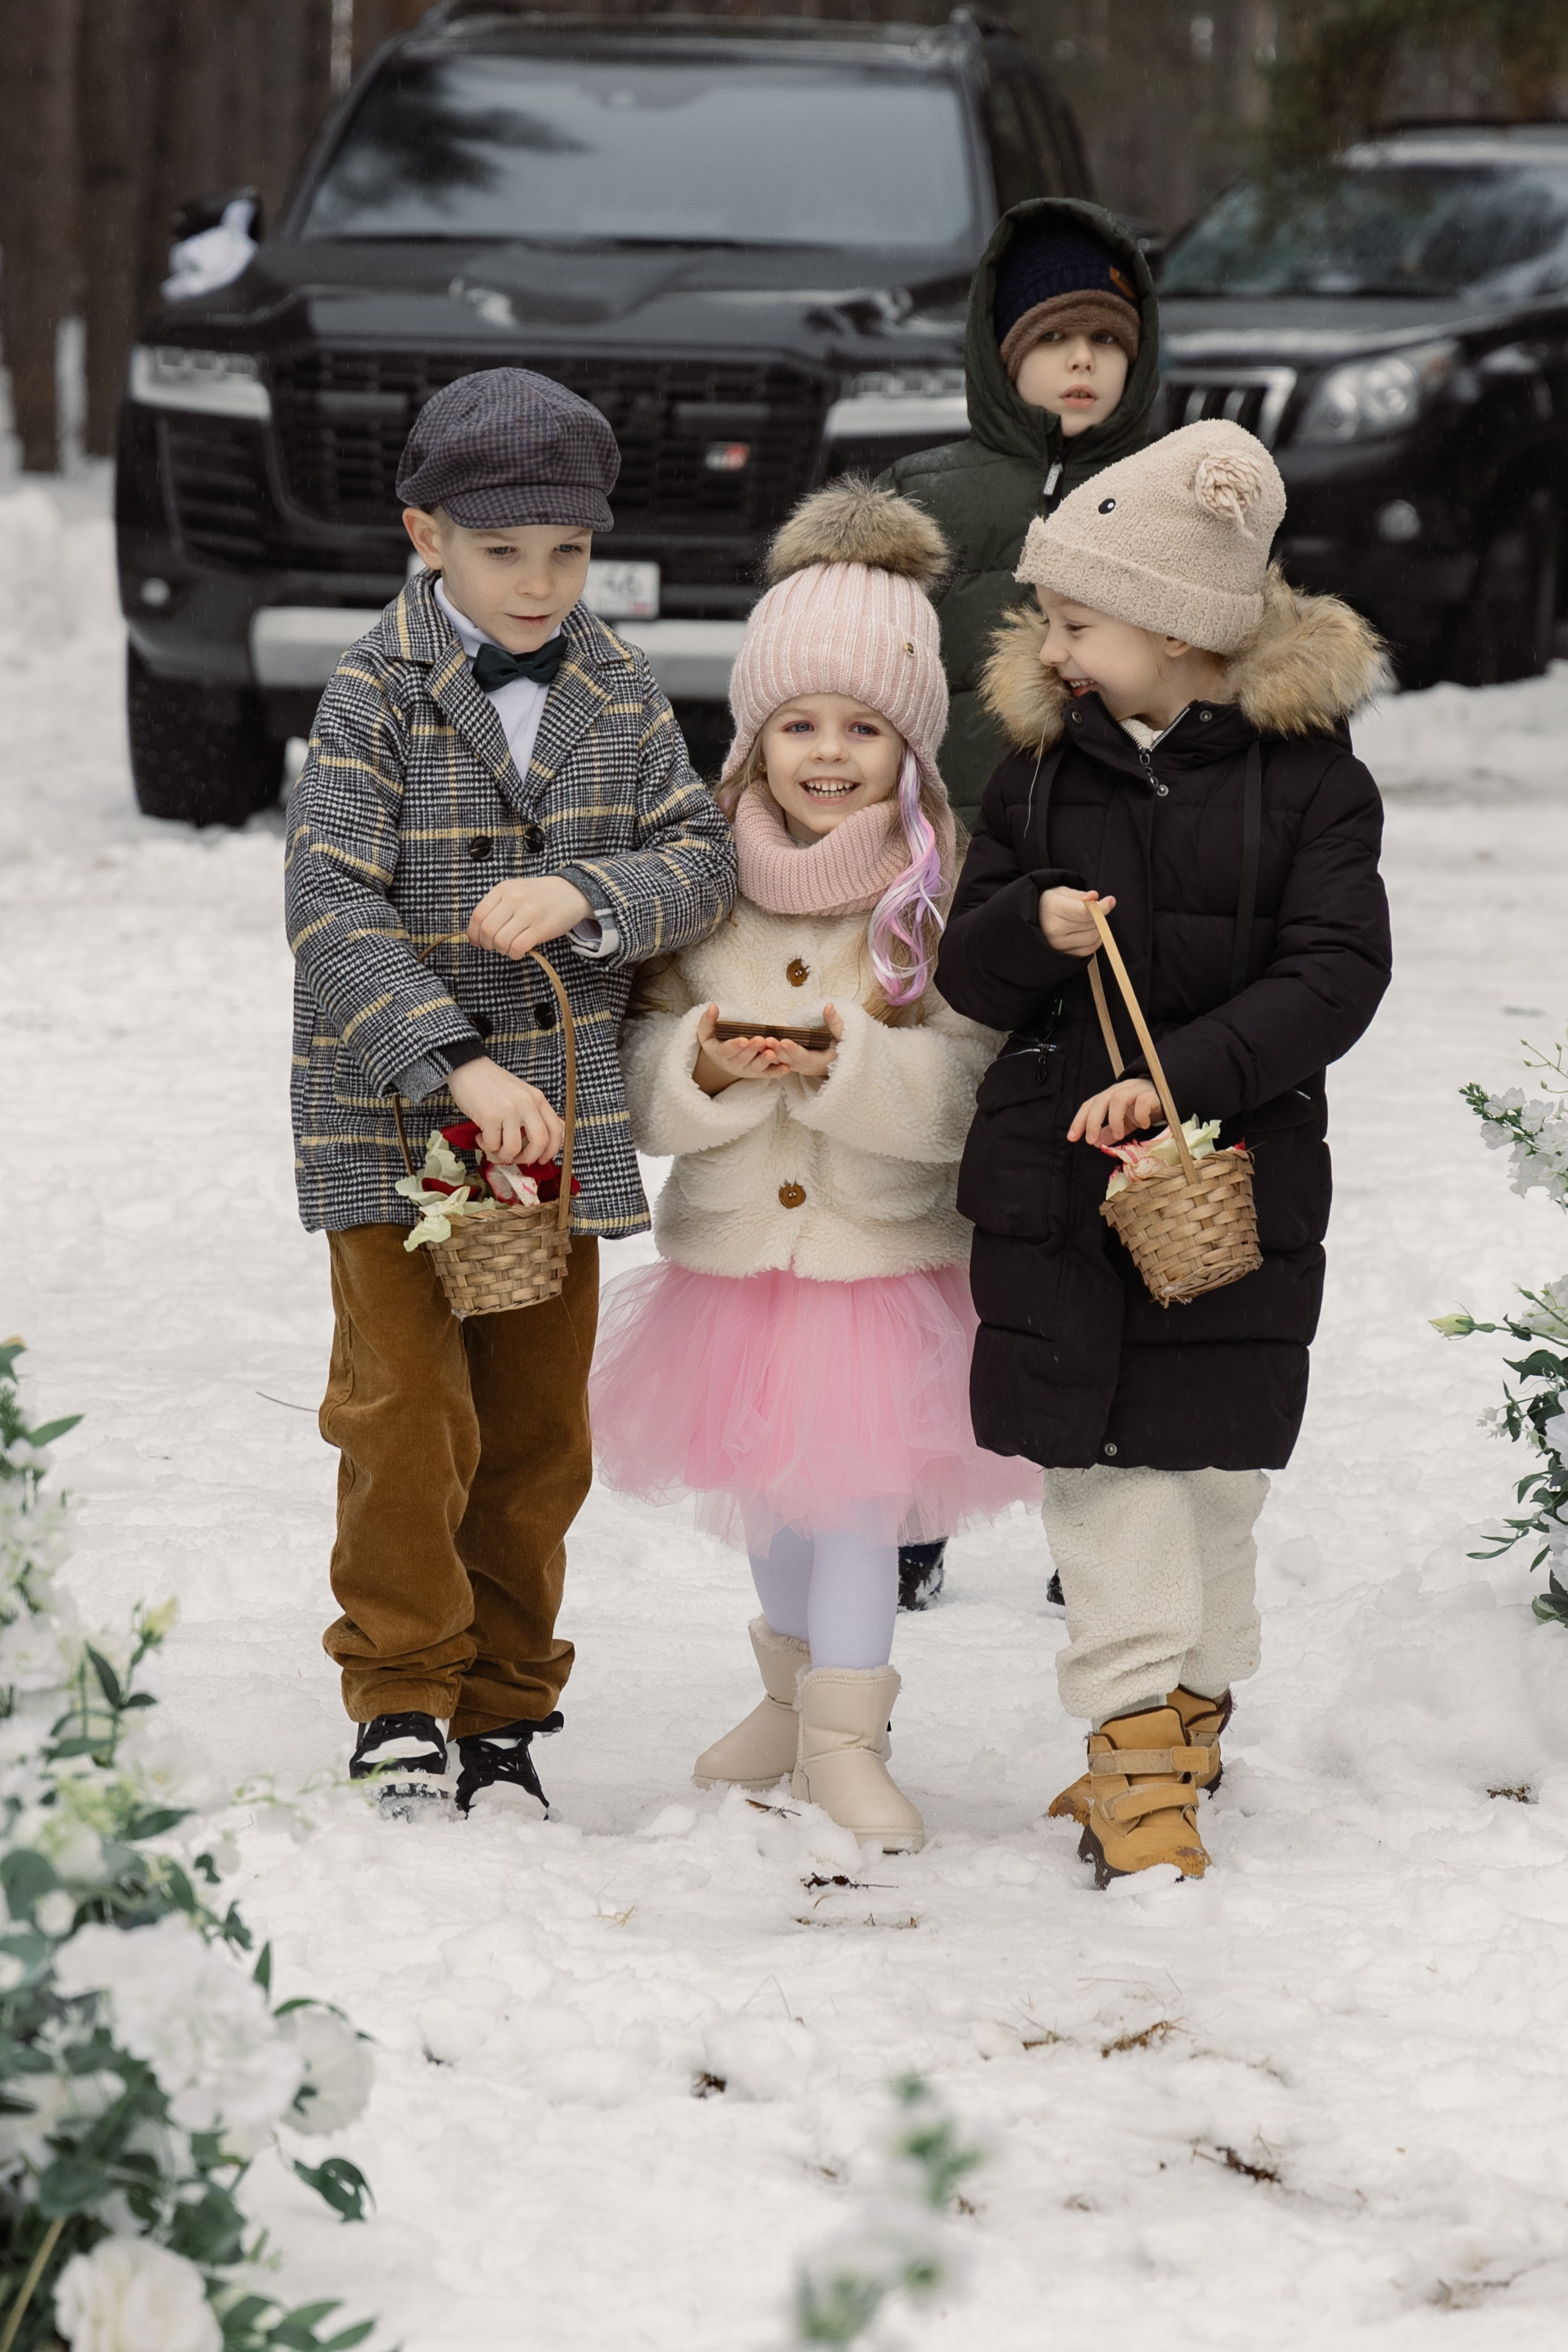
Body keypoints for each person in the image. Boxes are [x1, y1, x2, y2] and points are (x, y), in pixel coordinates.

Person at [936, 419, 1392, 1884]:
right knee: (1103, 1467)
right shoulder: (1034, 773)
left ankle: (1188, 1718)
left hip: (1227, 1178)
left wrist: (1170, 1077)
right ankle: (1133, 1756)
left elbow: (1333, 976)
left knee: (1207, 1467)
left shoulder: (1309, 784)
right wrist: (1028, 928)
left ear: (1179, 626)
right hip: (1059, 1188)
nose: (1053, 649)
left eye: (1076, 620)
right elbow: (964, 969)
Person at [285, 367, 736, 1818]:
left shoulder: (613, 685)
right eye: (503, 552)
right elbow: (329, 913)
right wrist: (455, 1065)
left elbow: (702, 858)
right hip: (398, 1116)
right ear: (428, 536)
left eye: (568, 552)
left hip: (556, 1131)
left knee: (538, 1433)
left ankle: (505, 1706)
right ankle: (405, 1689)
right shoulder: (373, 693)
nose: (540, 583)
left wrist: (588, 895)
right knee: (406, 1412)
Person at [589, 479, 1039, 1853]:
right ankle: (787, 1701)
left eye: (862, 727)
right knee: (775, 1492)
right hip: (734, 1260)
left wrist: (849, 1062)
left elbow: (969, 1080)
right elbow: (640, 1069)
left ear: (909, 744)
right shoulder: (701, 876)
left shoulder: (936, 887)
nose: (828, 753)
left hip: (876, 1261)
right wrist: (709, 1068)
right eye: (799, 724)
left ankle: (851, 1735)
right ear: (755, 734)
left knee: (846, 1499)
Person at [878, 197, 1162, 834]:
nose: (1082, 359)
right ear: (1001, 352)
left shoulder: (1171, 491)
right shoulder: (923, 495)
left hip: (1124, 851)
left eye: (1108, 338)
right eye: (1053, 337)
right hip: (951, 852)